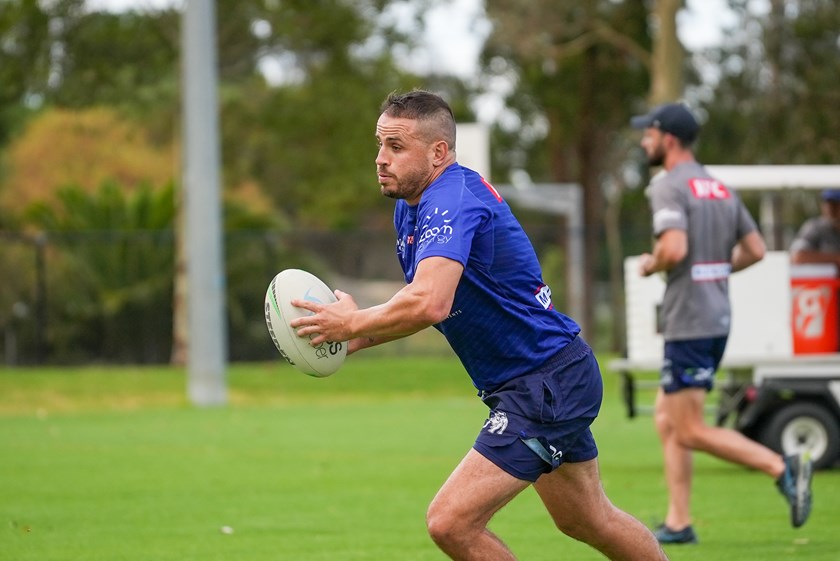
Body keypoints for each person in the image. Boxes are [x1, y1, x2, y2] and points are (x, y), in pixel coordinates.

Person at [290, 89, 668, 561]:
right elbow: (430, 301)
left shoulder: (452, 200)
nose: (380, 159)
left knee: (451, 522)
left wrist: (352, 323)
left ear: (438, 152)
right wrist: (351, 335)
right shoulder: (412, 204)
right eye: (379, 144)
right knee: (587, 519)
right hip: (545, 377)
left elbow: (430, 303)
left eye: (396, 146)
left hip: (544, 382)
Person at [630, 102, 814, 545]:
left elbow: (673, 248)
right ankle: (679, 522)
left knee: (689, 428)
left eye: (648, 134)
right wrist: (713, 270)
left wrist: (651, 264)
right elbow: (755, 248)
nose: (643, 142)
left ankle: (782, 466)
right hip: (715, 317)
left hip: (689, 320)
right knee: (666, 417)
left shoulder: (668, 186)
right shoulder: (718, 188)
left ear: (668, 139)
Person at [789, 188, 840, 267]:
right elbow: (797, 257)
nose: (831, 208)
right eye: (827, 203)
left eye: (836, 203)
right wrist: (835, 258)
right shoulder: (814, 228)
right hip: (824, 278)